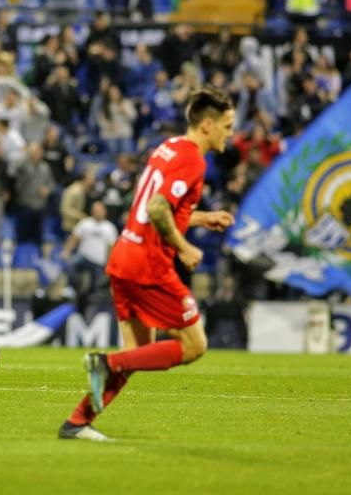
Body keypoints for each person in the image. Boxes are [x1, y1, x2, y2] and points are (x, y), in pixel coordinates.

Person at [58, 87, 237, 441]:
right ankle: (105, 363)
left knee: (138, 354)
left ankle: (77, 422)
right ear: (206, 125)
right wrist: (183, 247)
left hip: (124, 254)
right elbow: (157, 209)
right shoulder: (193, 161)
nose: (229, 134)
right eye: (227, 126)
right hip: (149, 265)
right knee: (194, 345)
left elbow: (157, 209)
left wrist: (201, 219)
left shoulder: (167, 147)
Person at [62, 201, 118, 308]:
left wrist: (109, 264)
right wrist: (66, 251)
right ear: (92, 211)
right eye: (95, 210)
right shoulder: (85, 223)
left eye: (100, 210)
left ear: (105, 212)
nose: (98, 212)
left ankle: (94, 302)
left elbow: (111, 248)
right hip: (84, 257)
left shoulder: (109, 228)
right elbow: (74, 238)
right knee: (71, 264)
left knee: (97, 286)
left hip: (99, 261)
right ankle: (72, 288)